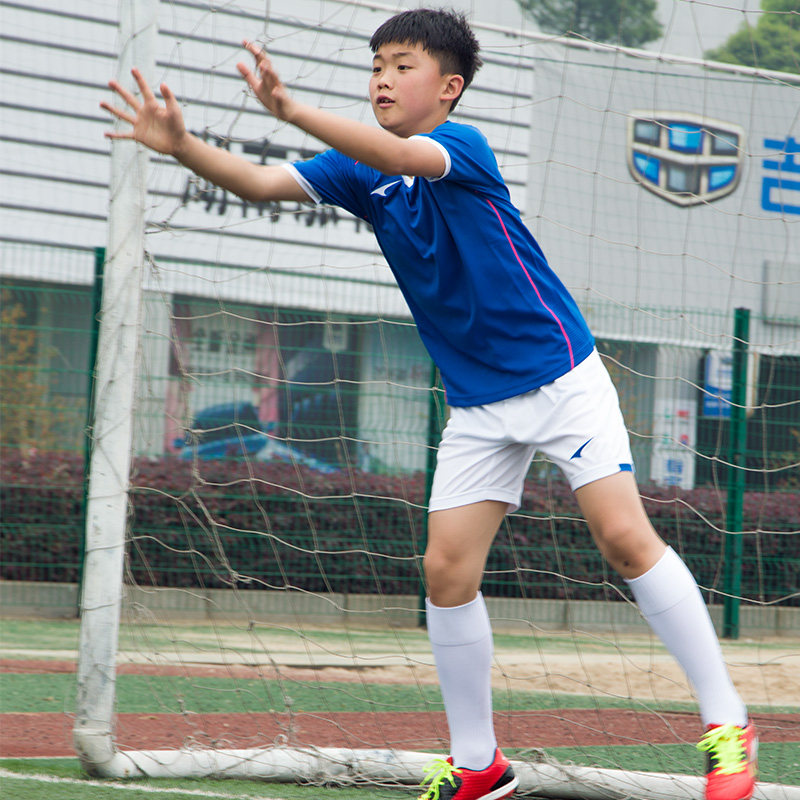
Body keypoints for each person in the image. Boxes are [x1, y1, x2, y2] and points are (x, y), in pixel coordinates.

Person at [102, 8, 758, 800]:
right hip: (480, 403)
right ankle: (479, 762)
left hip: (560, 377)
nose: (382, 76)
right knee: (446, 571)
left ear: (448, 87)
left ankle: (728, 726)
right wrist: (182, 147)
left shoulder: (462, 150)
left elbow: (393, 149)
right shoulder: (361, 173)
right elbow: (264, 182)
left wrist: (292, 110)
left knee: (623, 538)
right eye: (376, 63)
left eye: (402, 64)